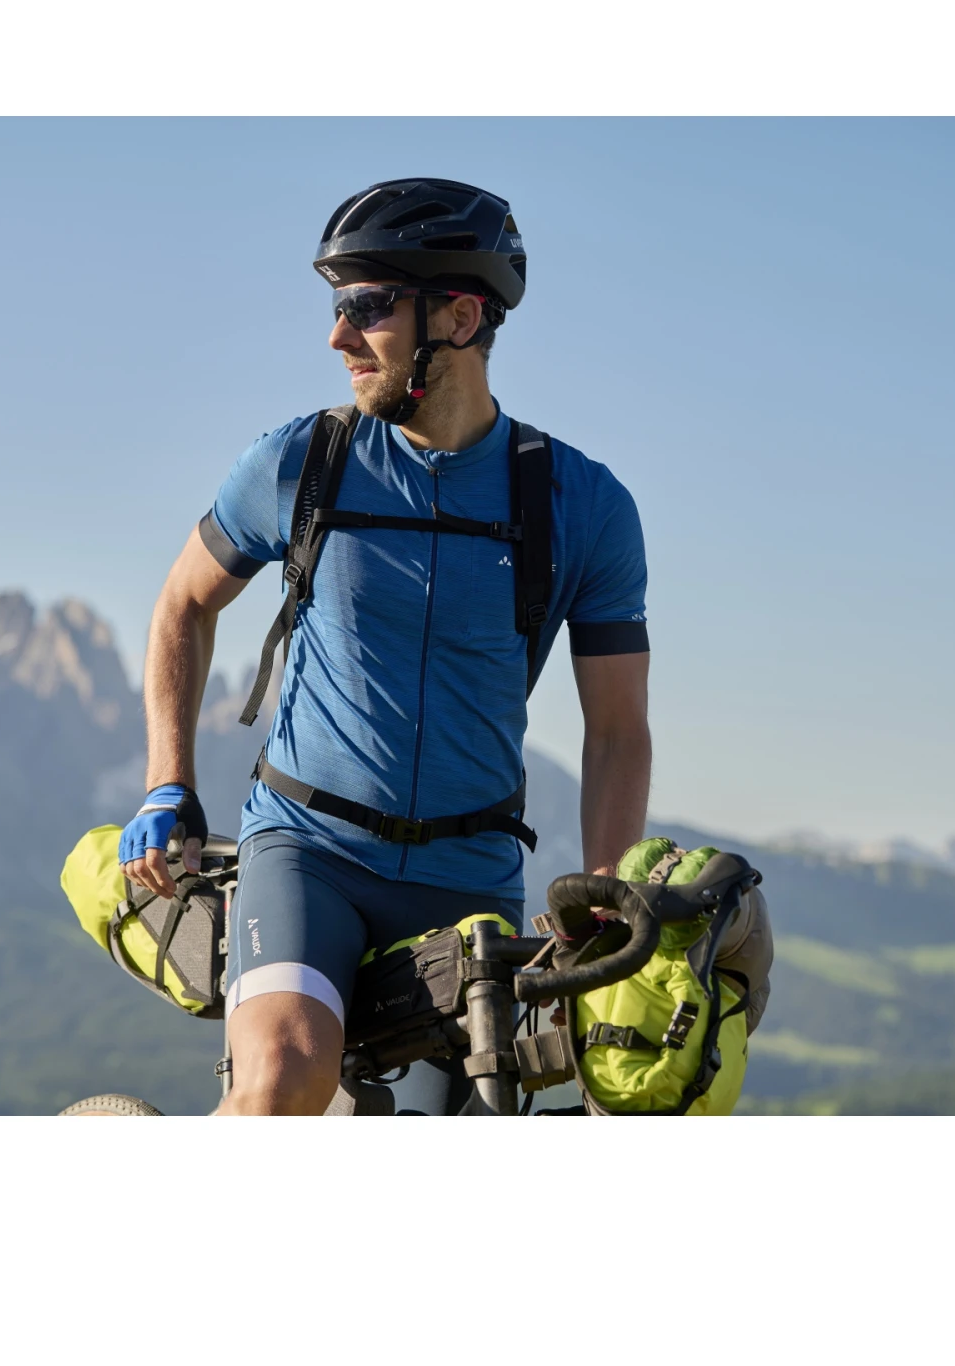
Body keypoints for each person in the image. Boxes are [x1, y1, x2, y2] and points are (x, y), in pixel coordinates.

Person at [119, 178, 652, 1114]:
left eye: (367, 307)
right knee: (282, 1078)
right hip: (308, 853)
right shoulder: (300, 463)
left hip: (470, 877)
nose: (338, 337)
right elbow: (181, 606)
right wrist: (170, 782)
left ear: (460, 316)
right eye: (338, 307)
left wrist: (604, 887)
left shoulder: (586, 506)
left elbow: (616, 729)